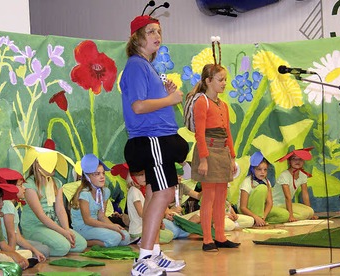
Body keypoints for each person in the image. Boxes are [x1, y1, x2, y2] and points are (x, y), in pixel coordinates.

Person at [120, 12, 188, 276]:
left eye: (159, 31)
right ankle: (144, 258)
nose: (157, 36)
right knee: (165, 193)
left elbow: (148, 102)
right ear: (137, 38)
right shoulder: (137, 65)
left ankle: (155, 254)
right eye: (150, 32)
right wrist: (170, 100)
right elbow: (138, 106)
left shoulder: (147, 67)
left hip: (156, 138)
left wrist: (167, 94)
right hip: (151, 138)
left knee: (154, 192)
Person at [188, 59, 240, 251]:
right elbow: (199, 133)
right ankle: (207, 240)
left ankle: (220, 236)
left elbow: (227, 131)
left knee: (221, 196)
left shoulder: (223, 105)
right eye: (220, 79)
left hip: (222, 152)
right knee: (208, 197)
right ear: (208, 81)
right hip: (208, 153)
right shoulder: (202, 102)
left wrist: (232, 156)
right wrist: (203, 159)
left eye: (225, 79)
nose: (224, 83)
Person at [16, 145, 87, 256]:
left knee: (81, 244)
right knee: (63, 247)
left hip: (54, 225)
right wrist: (63, 232)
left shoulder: (57, 183)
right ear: (38, 164)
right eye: (49, 161)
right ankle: (33, 246)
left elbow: (60, 210)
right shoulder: (29, 186)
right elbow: (41, 216)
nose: (54, 165)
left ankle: (53, 243)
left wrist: (66, 230)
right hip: (36, 228)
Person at [0, 168, 49, 262]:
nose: (24, 188)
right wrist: (13, 255)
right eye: (20, 185)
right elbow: (11, 235)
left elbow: (18, 237)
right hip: (9, 247)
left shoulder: (10, 204)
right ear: (10, 187)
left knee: (41, 247)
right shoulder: (7, 204)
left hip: (11, 246)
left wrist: (33, 250)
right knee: (44, 250)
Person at [70, 154, 131, 247]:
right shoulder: (84, 194)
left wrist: (115, 228)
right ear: (87, 177)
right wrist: (111, 227)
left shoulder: (105, 192)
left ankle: (104, 239)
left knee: (125, 237)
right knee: (115, 238)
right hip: (83, 228)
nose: (102, 177)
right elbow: (88, 220)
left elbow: (101, 216)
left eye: (103, 173)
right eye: (97, 174)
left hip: (95, 225)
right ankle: (86, 242)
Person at [0, 182, 32, 270]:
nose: (2, 204)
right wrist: (12, 254)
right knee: (4, 258)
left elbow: (3, 245)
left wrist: (16, 254)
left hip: (0, 252)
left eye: (2, 200)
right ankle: (14, 264)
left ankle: (15, 264)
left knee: (28, 253)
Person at [124, 166, 175, 244]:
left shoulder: (138, 191)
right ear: (132, 177)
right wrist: (157, 220)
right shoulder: (134, 191)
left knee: (169, 234)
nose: (145, 177)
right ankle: (140, 239)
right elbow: (141, 213)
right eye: (140, 175)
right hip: (138, 230)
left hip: (143, 228)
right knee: (168, 235)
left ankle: (144, 239)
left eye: (145, 174)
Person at [238, 152, 286, 226]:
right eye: (259, 169)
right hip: (247, 212)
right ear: (253, 170)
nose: (262, 172)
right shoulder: (247, 182)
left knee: (284, 215)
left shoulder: (267, 182)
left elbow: (269, 203)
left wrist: (263, 217)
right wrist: (256, 217)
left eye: (265, 170)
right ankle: (255, 220)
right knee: (262, 188)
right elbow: (243, 207)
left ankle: (260, 221)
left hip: (261, 211)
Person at [273, 147, 317, 222]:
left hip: (288, 204)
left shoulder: (303, 175)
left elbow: (305, 194)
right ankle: (282, 215)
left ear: (303, 161)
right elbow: (287, 197)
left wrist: (311, 213)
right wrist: (290, 215)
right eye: (294, 159)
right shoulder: (284, 175)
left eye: (300, 159)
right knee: (297, 215)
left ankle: (290, 214)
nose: (297, 161)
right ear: (289, 161)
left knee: (309, 212)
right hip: (276, 205)